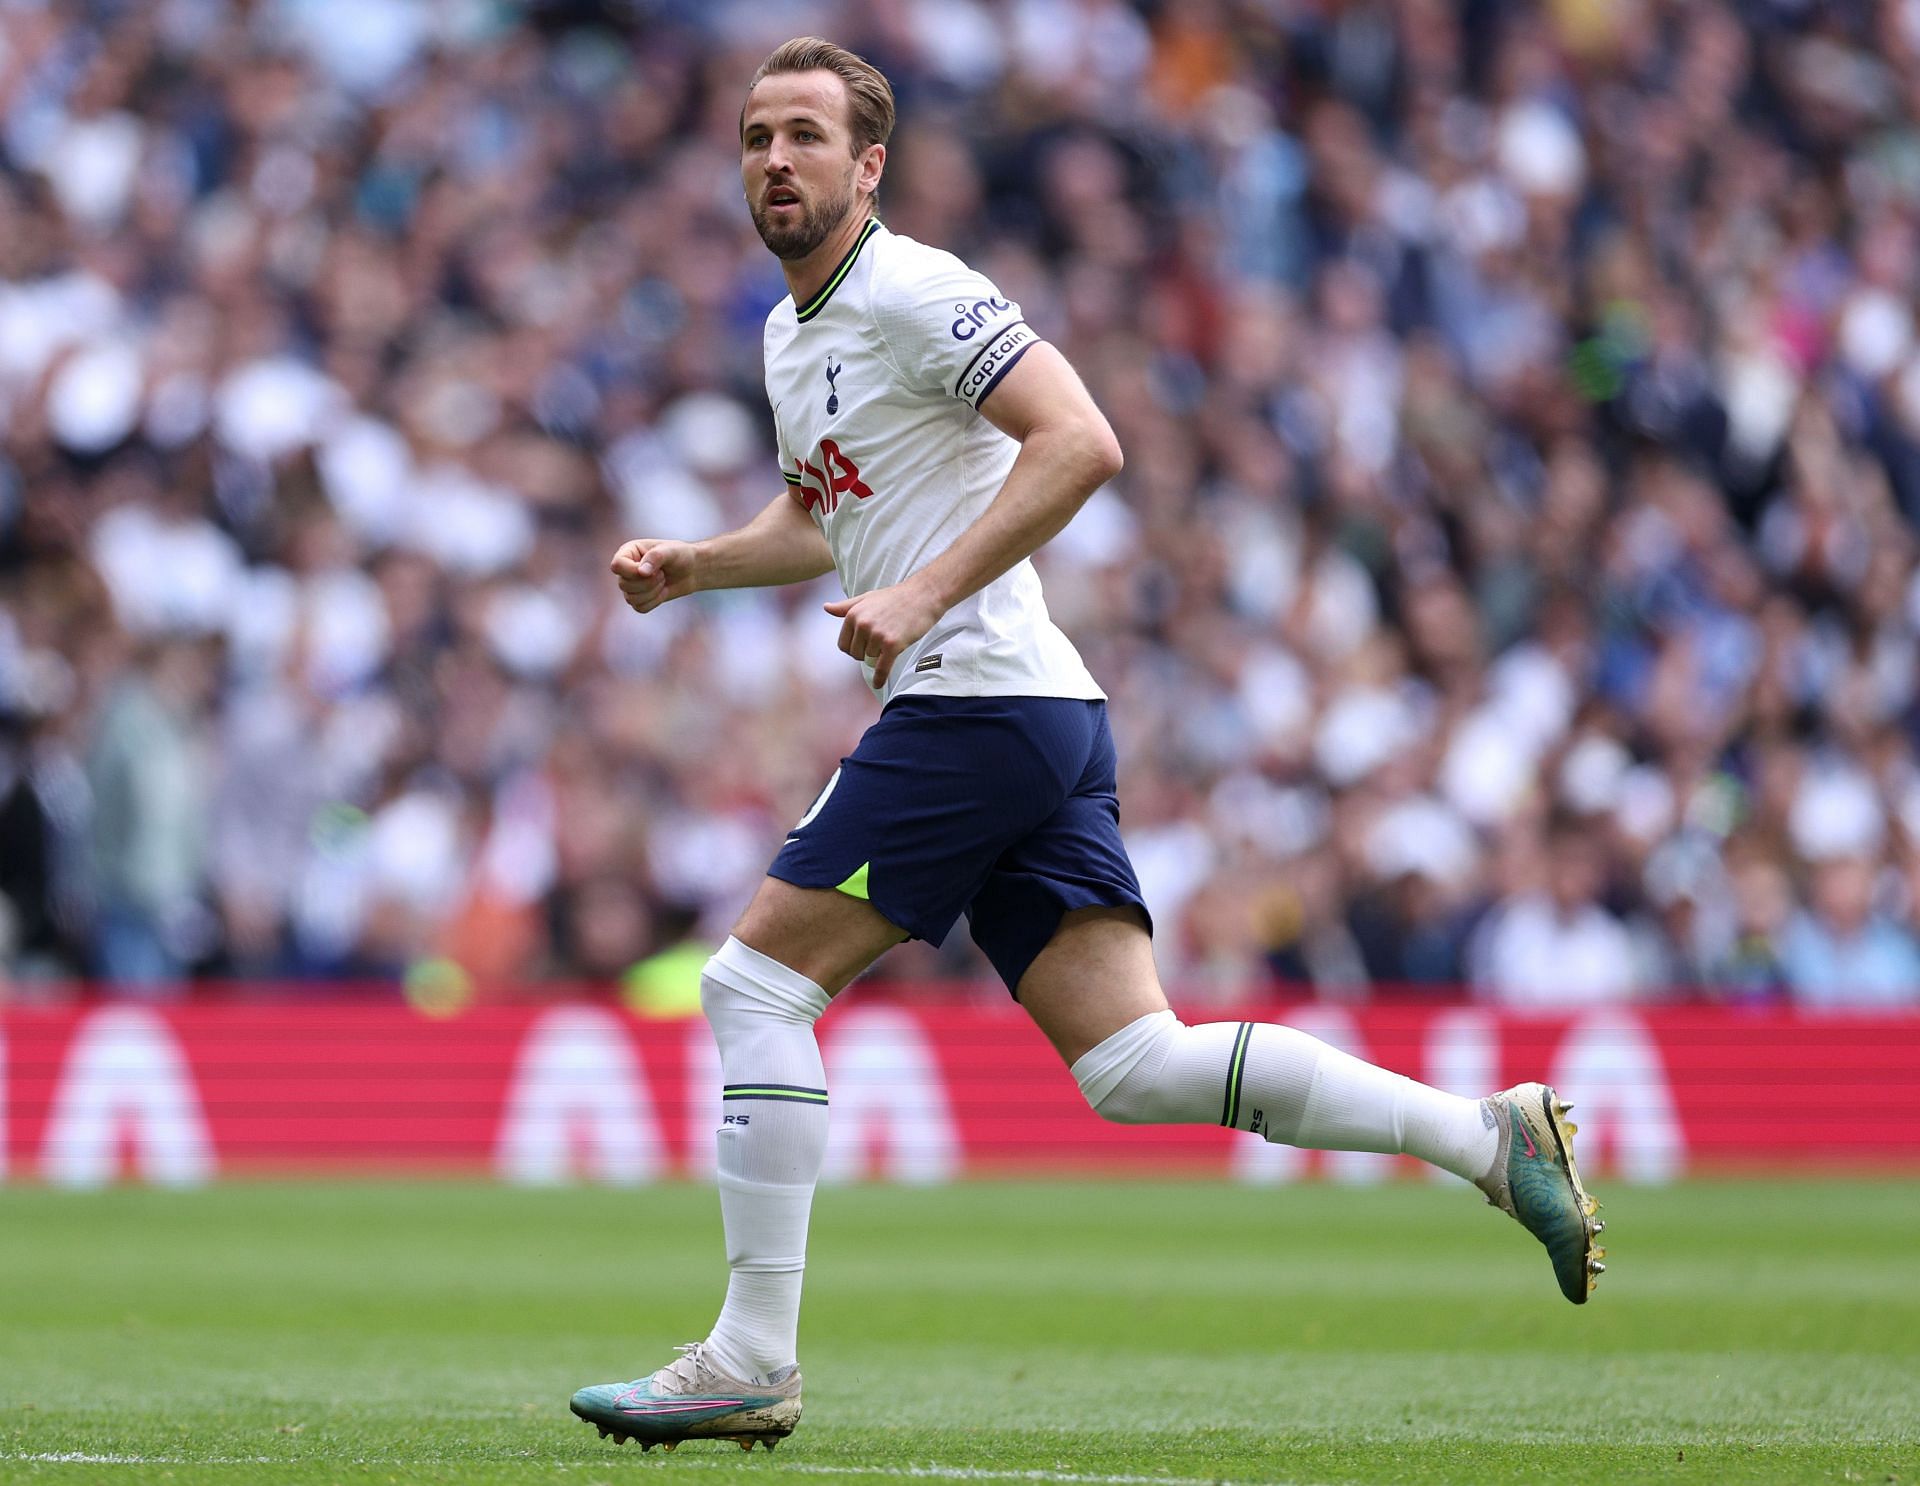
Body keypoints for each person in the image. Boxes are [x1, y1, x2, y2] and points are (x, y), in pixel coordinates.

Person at [569, 37, 1605, 1454]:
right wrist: (697, 564)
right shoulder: (789, 330)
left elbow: (1083, 438)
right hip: (1033, 711)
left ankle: (751, 1353)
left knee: (753, 985)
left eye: (805, 135)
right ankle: (1489, 1139)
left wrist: (926, 591)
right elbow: (827, 511)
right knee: (1135, 1065)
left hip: (978, 698)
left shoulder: (917, 288)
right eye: (756, 136)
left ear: (869, 166)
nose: (775, 160)